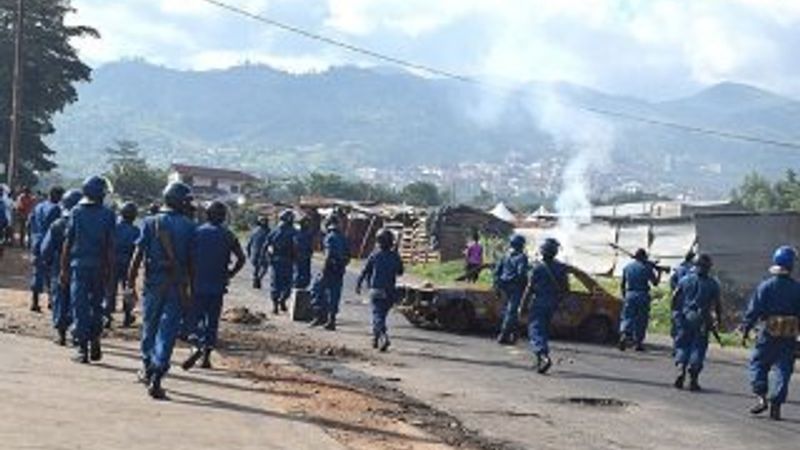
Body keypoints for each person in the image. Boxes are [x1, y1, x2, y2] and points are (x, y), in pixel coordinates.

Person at [127, 182, 196, 400]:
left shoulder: (149, 222)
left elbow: (137, 256)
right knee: (167, 330)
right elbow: (193, 263)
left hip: (153, 283)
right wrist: (190, 289)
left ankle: (147, 367)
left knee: (150, 326)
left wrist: (130, 282)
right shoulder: (190, 226)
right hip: (176, 284)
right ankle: (158, 372)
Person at [182, 201, 245, 370]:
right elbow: (242, 259)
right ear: (224, 217)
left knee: (194, 319)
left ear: (207, 215)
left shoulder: (196, 233)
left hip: (197, 284)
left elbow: (186, 259)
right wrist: (230, 274)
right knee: (212, 321)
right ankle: (206, 358)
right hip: (217, 286)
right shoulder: (229, 235)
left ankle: (196, 345)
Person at [741, 246, 800, 421]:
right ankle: (776, 404)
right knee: (784, 369)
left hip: (768, 333)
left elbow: (754, 310)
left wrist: (746, 329)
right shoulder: (797, 288)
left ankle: (761, 396)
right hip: (789, 335)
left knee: (758, 364)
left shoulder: (765, 286)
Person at [60, 177, 116, 363]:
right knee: (96, 306)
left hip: (79, 267)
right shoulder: (109, 214)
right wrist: (110, 270)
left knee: (80, 307)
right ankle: (95, 339)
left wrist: (63, 268)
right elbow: (109, 245)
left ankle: (83, 348)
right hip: (100, 267)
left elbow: (68, 242)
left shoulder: (76, 212)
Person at [671, 254, 722, 391]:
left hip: (684, 316)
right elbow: (717, 305)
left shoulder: (685, 279)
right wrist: (719, 320)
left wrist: (675, 314)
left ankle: (681, 367)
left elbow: (675, 296)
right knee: (698, 348)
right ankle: (693, 378)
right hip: (702, 320)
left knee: (682, 344)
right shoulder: (713, 283)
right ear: (708, 267)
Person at [40, 189, 83, 346]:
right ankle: (77, 332)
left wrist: (48, 262)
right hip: (79, 266)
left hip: (59, 265)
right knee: (77, 299)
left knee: (60, 298)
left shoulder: (57, 224)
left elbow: (45, 250)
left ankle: (61, 333)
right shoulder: (84, 225)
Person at [525, 238, 568, 374]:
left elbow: (529, 288)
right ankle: (539, 361)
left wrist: (522, 304)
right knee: (543, 330)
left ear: (543, 251)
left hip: (539, 302)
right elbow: (566, 289)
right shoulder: (561, 268)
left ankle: (543, 356)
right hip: (553, 303)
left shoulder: (537, 267)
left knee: (535, 330)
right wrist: (559, 303)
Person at [356, 228, 404, 351]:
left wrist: (359, 284)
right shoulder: (395, 256)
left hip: (377, 290)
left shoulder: (374, 255)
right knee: (381, 316)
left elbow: (365, 270)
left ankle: (383, 336)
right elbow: (400, 272)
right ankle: (376, 339)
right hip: (390, 291)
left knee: (377, 316)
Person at [309, 215, 350, 330]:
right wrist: (341, 266)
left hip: (329, 269)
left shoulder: (329, 237)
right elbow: (348, 256)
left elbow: (328, 255)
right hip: (339, 270)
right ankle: (331, 320)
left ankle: (318, 317)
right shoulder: (344, 237)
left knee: (317, 290)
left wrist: (324, 271)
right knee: (334, 295)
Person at [105, 202, 140, 328]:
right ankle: (127, 316)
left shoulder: (115, 228)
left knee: (110, 290)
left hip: (113, 261)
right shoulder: (135, 231)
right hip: (128, 263)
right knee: (128, 289)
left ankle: (107, 316)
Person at [30, 186, 65, 312]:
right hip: (48, 242)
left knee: (37, 271)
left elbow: (31, 222)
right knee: (51, 272)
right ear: (57, 195)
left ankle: (35, 301)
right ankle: (51, 301)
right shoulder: (56, 209)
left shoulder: (39, 206)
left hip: (36, 240)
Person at [619, 248, 661, 351]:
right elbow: (655, 283)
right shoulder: (646, 268)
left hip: (630, 294)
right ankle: (638, 343)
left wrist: (625, 295)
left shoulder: (627, 267)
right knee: (641, 320)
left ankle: (624, 334)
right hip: (642, 295)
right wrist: (659, 273)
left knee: (627, 317)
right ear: (643, 256)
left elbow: (622, 284)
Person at [493, 234, 530, 344]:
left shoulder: (505, 256)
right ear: (521, 245)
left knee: (510, 311)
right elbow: (522, 274)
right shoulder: (522, 257)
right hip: (516, 287)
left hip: (504, 286)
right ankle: (503, 335)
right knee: (512, 312)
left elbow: (496, 273)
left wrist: (496, 286)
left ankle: (514, 334)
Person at [262, 210, 296, 314]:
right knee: (287, 284)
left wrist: (266, 258)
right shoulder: (293, 232)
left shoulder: (274, 231)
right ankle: (281, 302)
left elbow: (266, 246)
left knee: (276, 284)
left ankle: (276, 305)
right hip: (287, 261)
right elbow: (297, 247)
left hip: (277, 261)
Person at [246, 215, 270, 289]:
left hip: (260, 253)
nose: (265, 222)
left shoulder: (266, 231)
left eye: (265, 220)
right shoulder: (259, 231)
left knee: (261, 268)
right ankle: (257, 280)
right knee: (260, 269)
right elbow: (249, 243)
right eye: (263, 221)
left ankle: (257, 280)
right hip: (259, 253)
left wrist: (249, 252)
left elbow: (249, 244)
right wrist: (249, 252)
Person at [294, 216, 314, 289]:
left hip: (306, 256)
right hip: (298, 256)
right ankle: (297, 286)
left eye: (308, 223)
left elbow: (310, 246)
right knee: (298, 272)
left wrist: (310, 253)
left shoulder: (309, 234)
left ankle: (304, 285)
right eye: (305, 222)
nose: (307, 224)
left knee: (306, 273)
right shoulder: (297, 232)